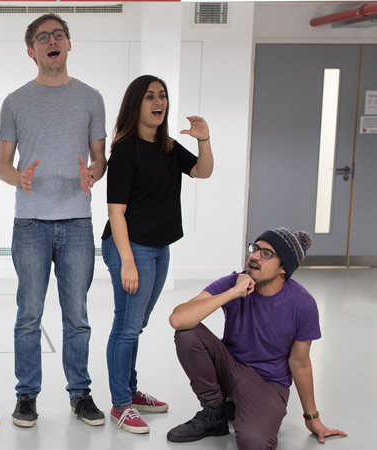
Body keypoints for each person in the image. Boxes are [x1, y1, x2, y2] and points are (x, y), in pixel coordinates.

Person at [0, 13, 108, 428]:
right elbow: (3, 166)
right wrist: (18, 177)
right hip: (30, 225)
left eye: (58, 35)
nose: (51, 42)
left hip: (77, 221)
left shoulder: (91, 98)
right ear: (31, 51)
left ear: (69, 44)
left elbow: (100, 158)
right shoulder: (15, 102)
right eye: (42, 38)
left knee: (76, 315)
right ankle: (26, 396)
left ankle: (80, 394)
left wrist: (92, 173)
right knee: (29, 313)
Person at [101, 75, 214, 434]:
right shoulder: (124, 150)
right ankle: (121, 404)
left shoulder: (166, 147)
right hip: (129, 247)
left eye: (162, 96)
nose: (158, 101)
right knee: (126, 327)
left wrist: (204, 139)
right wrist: (128, 262)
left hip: (159, 247)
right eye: (150, 96)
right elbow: (115, 211)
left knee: (136, 325)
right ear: (136, 104)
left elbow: (202, 171)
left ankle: (130, 392)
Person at [167, 228, 347, 448]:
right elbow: (178, 319)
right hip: (230, 369)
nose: (254, 256)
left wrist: (312, 418)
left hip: (268, 385)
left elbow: (300, 363)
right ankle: (214, 412)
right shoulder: (235, 282)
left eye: (267, 253)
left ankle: (241, 408)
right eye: (255, 248)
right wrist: (232, 292)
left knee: (253, 442)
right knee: (188, 333)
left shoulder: (303, 304)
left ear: (283, 268)